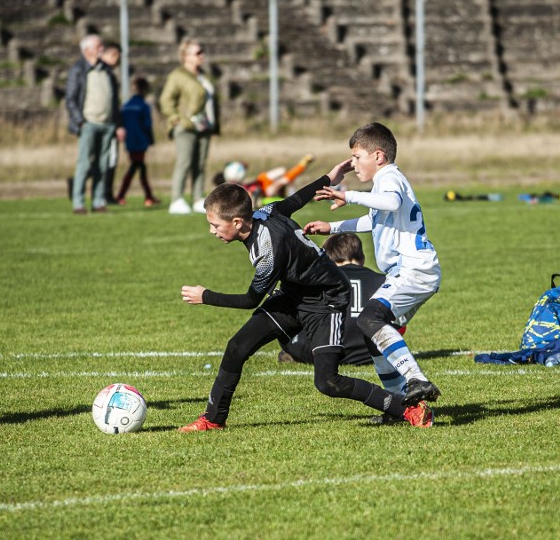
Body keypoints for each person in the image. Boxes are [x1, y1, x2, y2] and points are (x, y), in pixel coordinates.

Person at [177, 173, 435, 433]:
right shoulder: (264, 213)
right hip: (293, 295)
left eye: (214, 224)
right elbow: (295, 200)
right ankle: (213, 419)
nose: (211, 231)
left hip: (327, 300)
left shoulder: (269, 252)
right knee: (237, 347)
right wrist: (328, 177)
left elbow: (250, 300)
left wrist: (205, 296)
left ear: (236, 221)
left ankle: (407, 408)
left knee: (328, 382)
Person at [304, 122, 442, 409]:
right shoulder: (386, 181)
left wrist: (349, 195)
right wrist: (331, 227)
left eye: (356, 157)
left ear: (378, 156)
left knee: (369, 318)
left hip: (413, 268)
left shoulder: (389, 178)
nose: (353, 165)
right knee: (372, 333)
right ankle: (403, 404)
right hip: (412, 270)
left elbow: (390, 203)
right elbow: (374, 219)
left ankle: (416, 379)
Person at [278, 233, 410, 419]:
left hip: (324, 354)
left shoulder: (321, 281)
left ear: (328, 259)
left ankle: (290, 353)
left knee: (286, 329)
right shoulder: (385, 282)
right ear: (362, 258)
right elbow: (398, 324)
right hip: (368, 354)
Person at [65, 34, 124, 214]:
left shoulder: (107, 70)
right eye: (99, 46)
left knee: (103, 165)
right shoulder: (78, 69)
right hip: (88, 124)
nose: (102, 49)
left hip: (107, 124)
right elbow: (70, 99)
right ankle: (78, 203)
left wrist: (117, 123)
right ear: (87, 50)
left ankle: (99, 201)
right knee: (83, 164)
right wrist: (80, 122)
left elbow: (114, 100)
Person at [160, 39, 219, 215]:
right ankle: (176, 199)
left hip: (204, 126)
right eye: (198, 52)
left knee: (200, 164)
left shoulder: (203, 75)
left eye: (202, 52)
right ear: (186, 56)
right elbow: (166, 99)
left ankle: (197, 198)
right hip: (185, 126)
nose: (202, 55)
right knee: (184, 162)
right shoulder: (177, 75)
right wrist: (175, 117)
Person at [116, 76, 159, 206]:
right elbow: (147, 125)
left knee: (138, 168)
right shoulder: (143, 106)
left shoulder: (126, 106)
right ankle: (124, 196)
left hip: (129, 142)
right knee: (137, 168)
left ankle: (148, 196)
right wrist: (151, 140)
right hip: (140, 142)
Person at [100, 42, 122, 205]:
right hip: (106, 124)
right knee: (108, 159)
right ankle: (104, 193)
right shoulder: (104, 74)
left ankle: (106, 193)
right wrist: (118, 125)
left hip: (108, 123)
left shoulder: (107, 74)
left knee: (109, 159)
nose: (118, 60)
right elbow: (111, 104)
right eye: (116, 56)